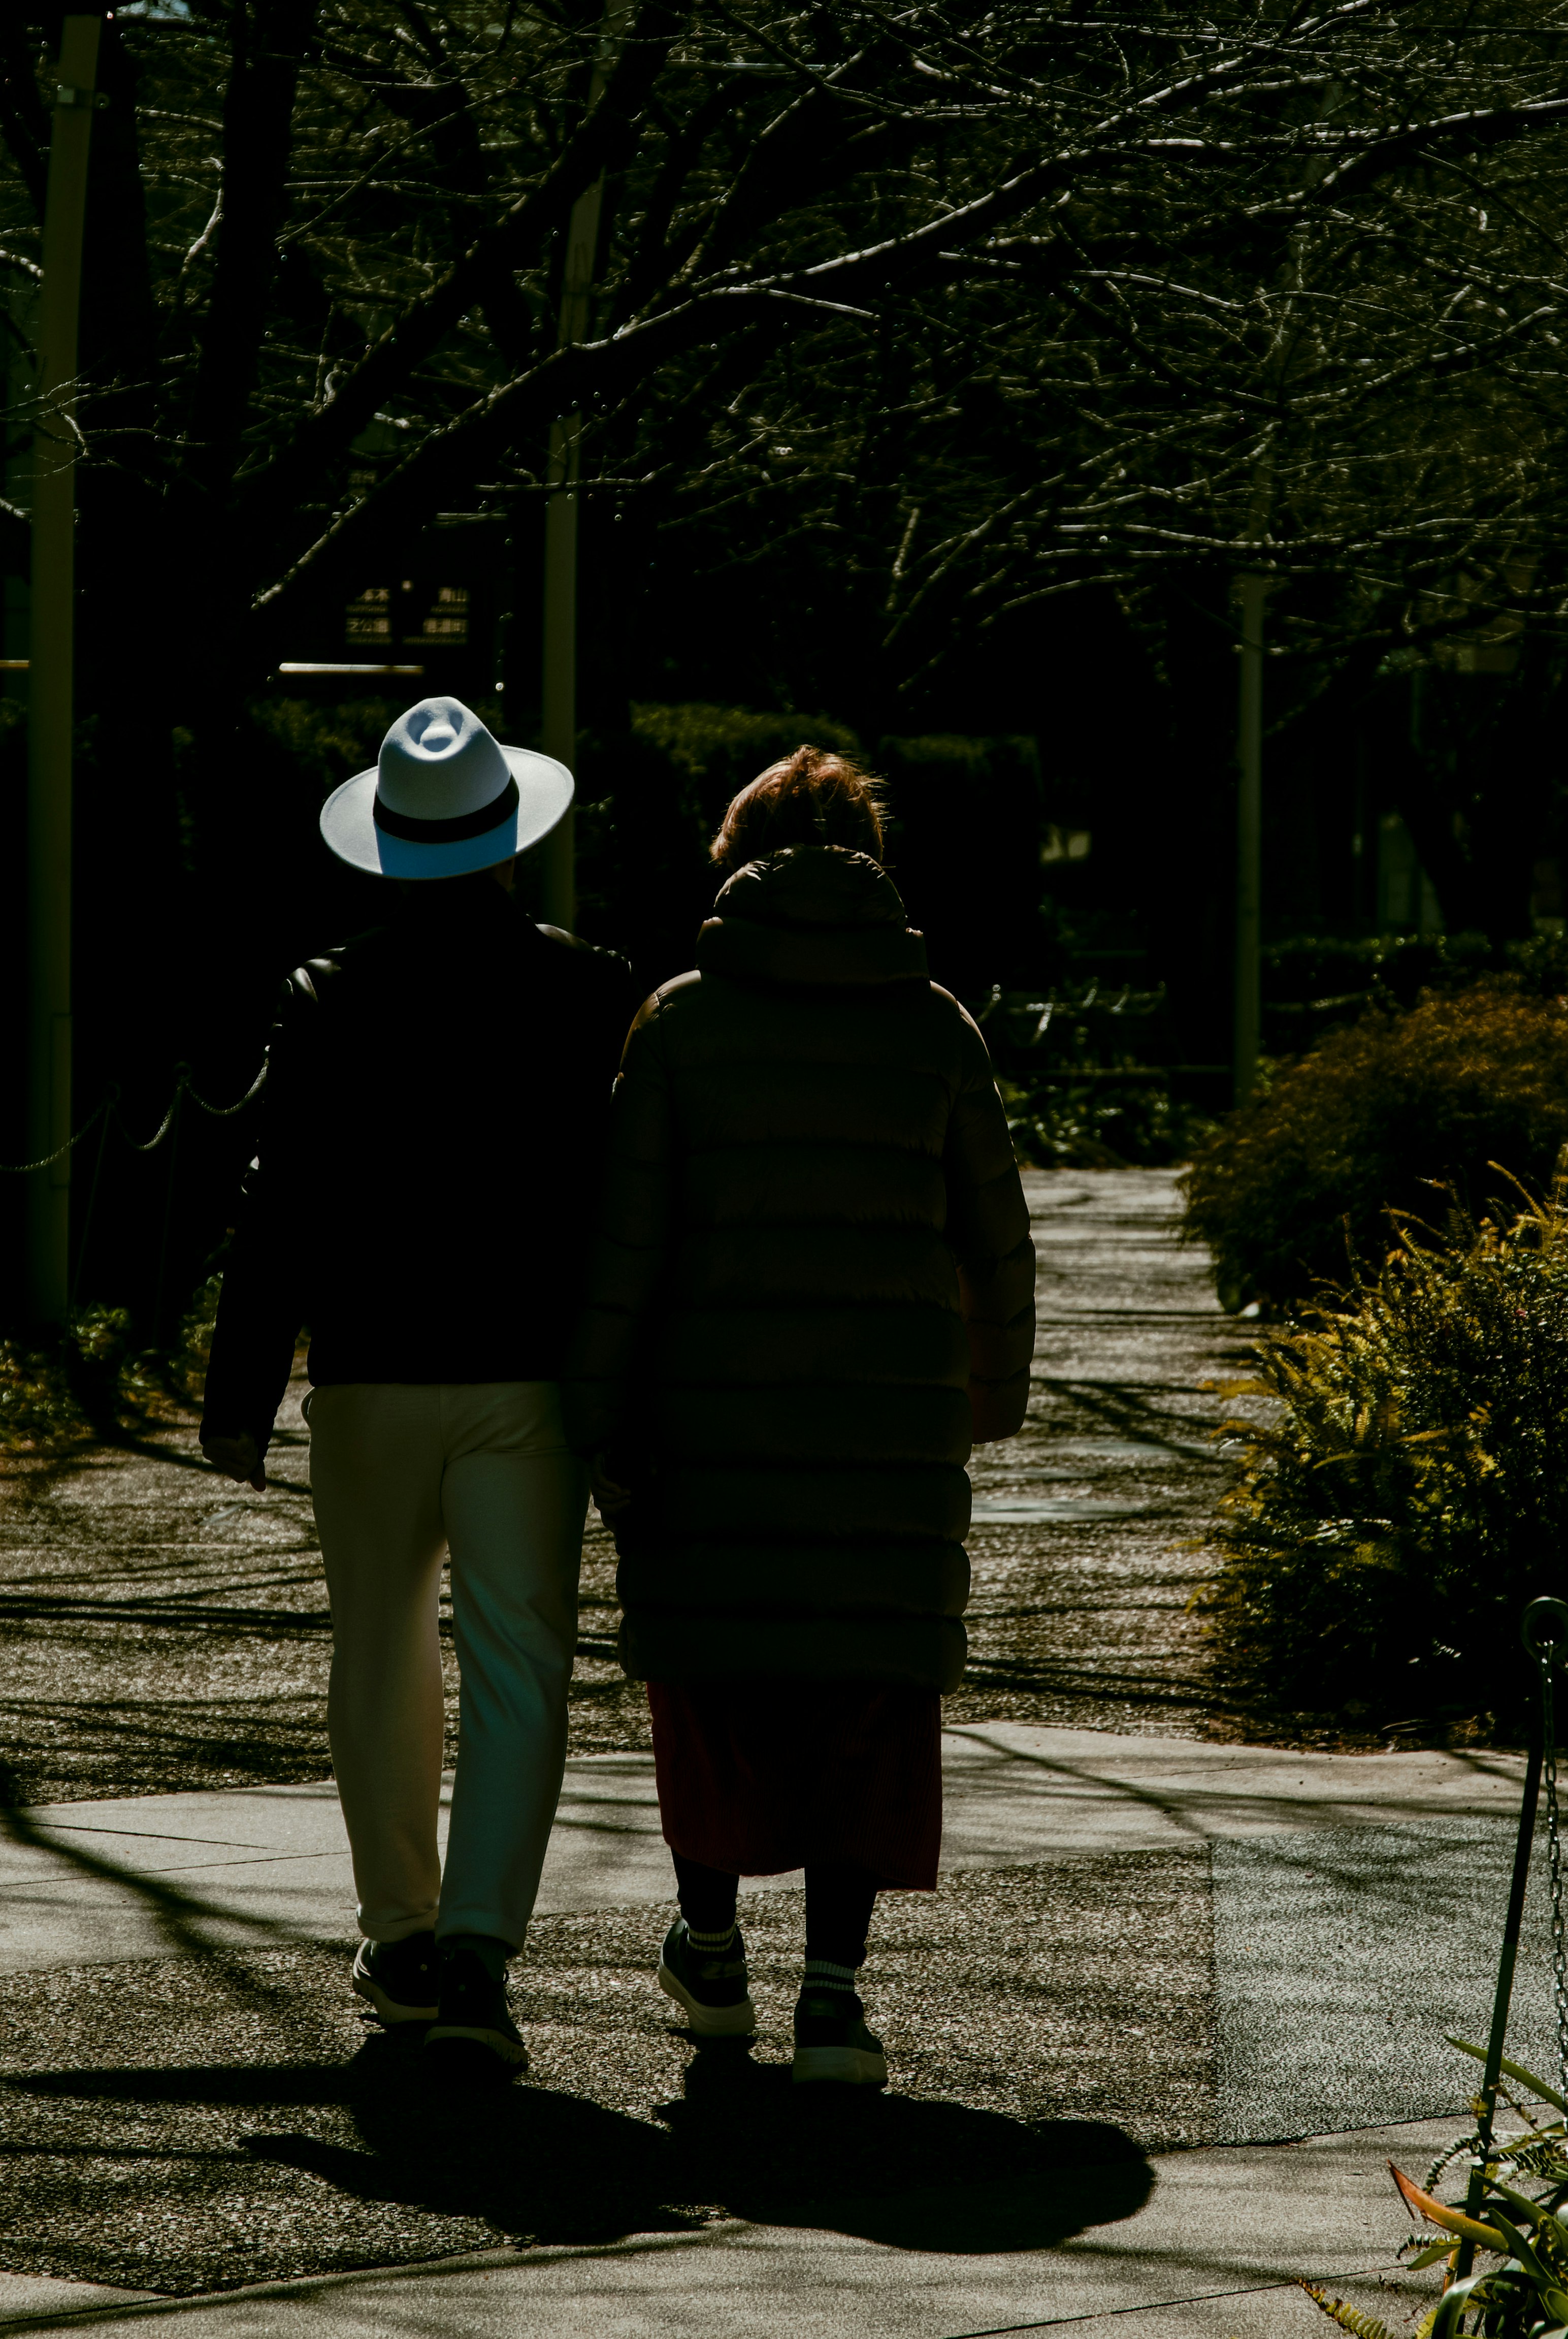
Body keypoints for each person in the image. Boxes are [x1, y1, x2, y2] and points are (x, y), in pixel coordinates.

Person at [564, 745, 1033, 2088]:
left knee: (713, 1681)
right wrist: (989, 1394)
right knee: (862, 1700)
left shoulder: (678, 1024)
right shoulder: (935, 1024)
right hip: (887, 1441)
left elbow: (625, 1239)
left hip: (709, 1434)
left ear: (738, 856)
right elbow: (996, 1236)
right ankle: (834, 1994)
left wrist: (596, 1412)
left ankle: (710, 1951)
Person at [199, 695, 633, 2075]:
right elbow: (620, 1205)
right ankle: (479, 1949)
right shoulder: (588, 990)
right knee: (520, 1664)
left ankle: (397, 1927)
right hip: (527, 1369)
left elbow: (281, 1205)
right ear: (508, 837)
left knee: (379, 1649)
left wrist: (239, 1386)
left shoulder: (328, 993)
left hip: (373, 1366)